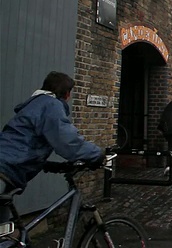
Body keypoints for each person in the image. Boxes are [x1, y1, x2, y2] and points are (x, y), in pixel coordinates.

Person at [0, 71, 103, 220]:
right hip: (4, 169)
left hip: (7, 170)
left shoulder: (35, 105)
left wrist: (47, 165)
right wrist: (97, 155)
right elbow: (68, 142)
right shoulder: (51, 105)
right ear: (67, 94)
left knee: (4, 232)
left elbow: (23, 144)